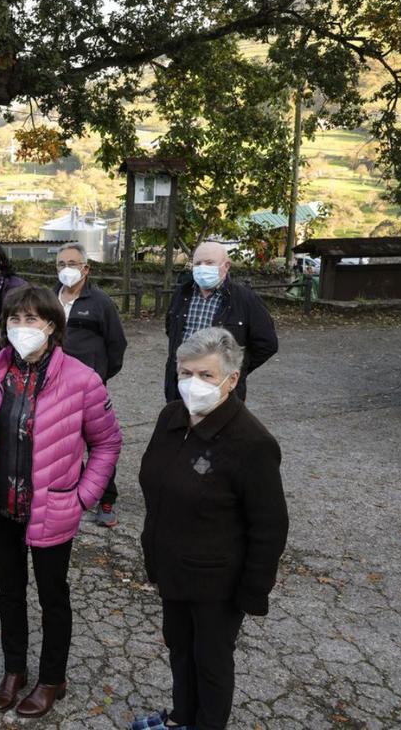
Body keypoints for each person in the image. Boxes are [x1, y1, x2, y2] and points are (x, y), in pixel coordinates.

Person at [0, 286, 122, 718]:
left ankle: (53, 678)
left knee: (53, 596)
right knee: (9, 591)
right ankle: (14, 669)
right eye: (14, 320)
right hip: (1, 504)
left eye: (31, 320)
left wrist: (83, 496)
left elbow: (107, 443)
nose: (21, 328)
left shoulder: (81, 379)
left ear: (52, 326)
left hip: (53, 506)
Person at [138, 327, 289, 730]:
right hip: (172, 569)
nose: (193, 384)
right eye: (185, 373)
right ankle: (182, 718)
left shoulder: (250, 442)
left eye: (206, 375)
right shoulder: (171, 417)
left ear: (232, 379)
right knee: (180, 650)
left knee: (211, 663)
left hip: (217, 584)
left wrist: (252, 591)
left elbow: (270, 526)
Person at [54, 242, 128, 527]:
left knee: (98, 443)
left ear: (86, 268)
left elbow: (116, 345)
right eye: (61, 264)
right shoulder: (50, 299)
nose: (67, 269)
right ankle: (79, 489)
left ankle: (107, 499)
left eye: (72, 264)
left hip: (88, 389)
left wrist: (100, 376)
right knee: (64, 442)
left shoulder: (101, 303)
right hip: (53, 387)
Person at [164, 241, 278, 402]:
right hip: (181, 385)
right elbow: (171, 329)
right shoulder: (182, 294)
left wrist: (235, 368)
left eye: (209, 263)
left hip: (220, 389)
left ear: (226, 266)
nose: (202, 267)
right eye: (197, 263)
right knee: (178, 425)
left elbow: (267, 344)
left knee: (220, 427)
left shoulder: (245, 300)